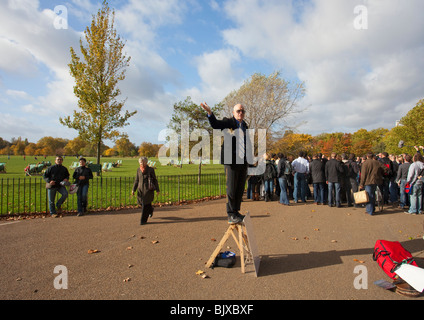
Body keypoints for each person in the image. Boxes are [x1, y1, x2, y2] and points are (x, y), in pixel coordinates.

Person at [201, 102, 250, 224]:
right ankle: (230, 214)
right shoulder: (228, 122)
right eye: (238, 111)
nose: (240, 113)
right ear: (233, 113)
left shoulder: (245, 125)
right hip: (231, 160)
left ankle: (236, 211)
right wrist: (210, 113)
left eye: (242, 111)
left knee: (240, 188)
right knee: (232, 188)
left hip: (242, 161)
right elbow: (216, 124)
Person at [132, 157, 160, 225]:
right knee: (142, 203)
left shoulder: (150, 169)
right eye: (140, 162)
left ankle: (143, 220)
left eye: (143, 162)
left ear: (146, 162)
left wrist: (157, 189)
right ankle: (150, 210)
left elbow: (154, 180)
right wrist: (133, 189)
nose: (142, 163)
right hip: (140, 190)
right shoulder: (138, 170)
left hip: (148, 190)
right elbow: (136, 180)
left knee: (145, 205)